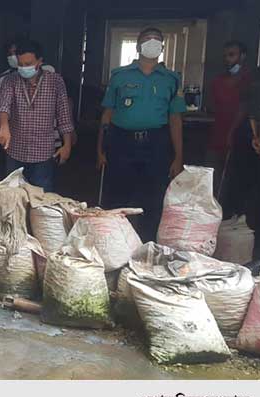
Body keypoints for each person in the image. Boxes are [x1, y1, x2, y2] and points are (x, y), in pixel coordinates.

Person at [97, 27, 186, 242]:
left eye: (157, 39)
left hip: (156, 144)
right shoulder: (119, 76)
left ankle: (146, 245)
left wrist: (178, 156)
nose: (152, 42)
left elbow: (175, 119)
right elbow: (107, 116)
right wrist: (100, 150)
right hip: (121, 142)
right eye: (147, 39)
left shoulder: (171, 79)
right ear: (138, 46)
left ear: (162, 47)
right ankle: (116, 243)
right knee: (117, 196)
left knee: (153, 198)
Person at [0, 39, 74, 192]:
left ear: (40, 61)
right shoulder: (10, 81)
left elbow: (64, 114)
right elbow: (4, 106)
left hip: (43, 153)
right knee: (12, 197)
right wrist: (4, 127)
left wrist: (67, 145)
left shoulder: (55, 81)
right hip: (15, 151)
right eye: (20, 64)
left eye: (28, 64)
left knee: (41, 200)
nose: (24, 68)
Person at [209, 41, 254, 217]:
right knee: (214, 178)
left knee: (237, 179)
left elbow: (246, 108)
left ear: (242, 56)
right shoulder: (218, 81)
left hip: (241, 136)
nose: (228, 59)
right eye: (226, 55)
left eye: (232, 55)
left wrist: (232, 133)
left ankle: (235, 216)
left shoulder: (251, 81)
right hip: (217, 135)